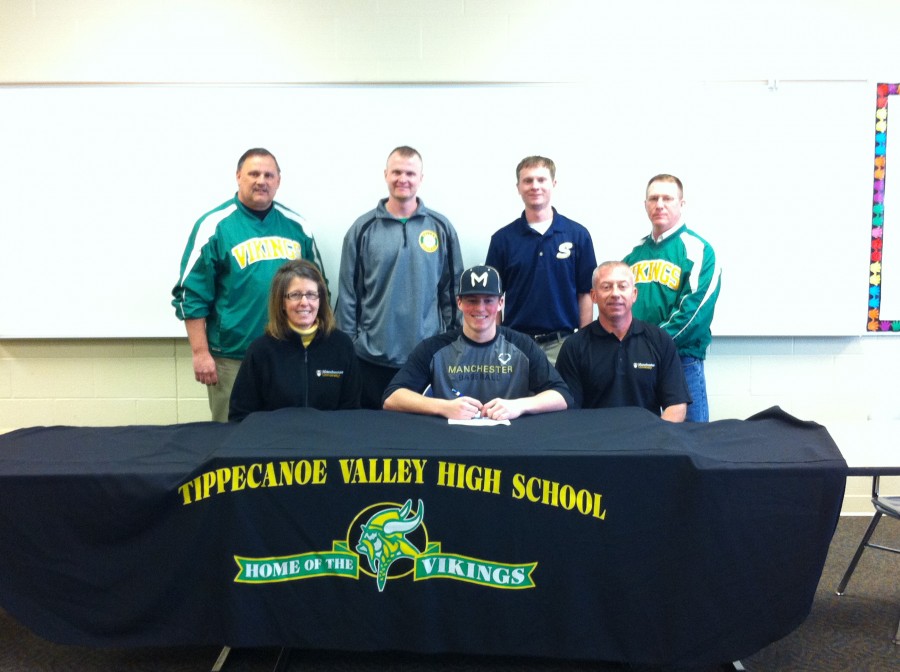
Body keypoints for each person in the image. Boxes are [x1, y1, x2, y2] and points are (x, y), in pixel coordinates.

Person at [172, 148, 326, 422]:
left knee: (284, 434)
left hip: (288, 352)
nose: (261, 181)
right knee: (230, 434)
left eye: (269, 175)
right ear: (238, 177)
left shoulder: (297, 227)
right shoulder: (215, 226)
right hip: (233, 356)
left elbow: (319, 290)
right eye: (253, 174)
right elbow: (190, 295)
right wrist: (200, 353)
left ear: (278, 180)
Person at [337, 146, 463, 409]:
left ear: (421, 178)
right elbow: (349, 294)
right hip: (371, 359)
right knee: (372, 436)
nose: (402, 179)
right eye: (396, 172)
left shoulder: (441, 228)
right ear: (385, 175)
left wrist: (453, 343)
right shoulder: (362, 229)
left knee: (423, 439)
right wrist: (349, 346)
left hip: (426, 357)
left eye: (410, 173)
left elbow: (452, 293)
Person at [382, 265, 572, 421]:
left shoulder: (522, 345)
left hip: (511, 444)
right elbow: (391, 397)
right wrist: (444, 407)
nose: (480, 308)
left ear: (501, 303)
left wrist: (518, 406)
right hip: (450, 444)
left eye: (488, 300)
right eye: (472, 300)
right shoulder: (433, 348)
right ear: (459, 303)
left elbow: (562, 396)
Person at [623, 174, 721, 422]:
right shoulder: (633, 255)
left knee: (691, 443)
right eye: (653, 198)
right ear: (645, 204)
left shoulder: (698, 251)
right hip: (638, 364)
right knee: (642, 441)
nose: (660, 204)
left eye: (667, 198)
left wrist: (647, 345)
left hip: (681, 362)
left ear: (681, 204)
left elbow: (693, 315)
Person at [485, 155, 597, 365]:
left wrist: (584, 341)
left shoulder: (577, 235)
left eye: (541, 180)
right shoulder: (502, 239)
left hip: (563, 344)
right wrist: (494, 341)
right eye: (528, 181)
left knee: (562, 398)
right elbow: (493, 297)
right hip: (514, 344)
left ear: (553, 184)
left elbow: (586, 294)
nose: (535, 186)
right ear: (518, 187)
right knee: (513, 399)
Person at [555, 261, 690, 422]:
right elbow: (569, 412)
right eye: (606, 287)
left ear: (634, 294)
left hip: (647, 442)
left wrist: (656, 441)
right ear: (594, 296)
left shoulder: (660, 341)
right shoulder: (574, 347)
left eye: (622, 286)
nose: (615, 294)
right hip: (594, 443)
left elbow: (676, 405)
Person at [228, 260, 360, 421]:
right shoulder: (260, 350)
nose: (304, 302)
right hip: (276, 443)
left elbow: (352, 412)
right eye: (295, 295)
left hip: (327, 442)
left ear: (321, 300)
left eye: (311, 295)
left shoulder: (342, 345)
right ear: (282, 302)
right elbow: (240, 415)